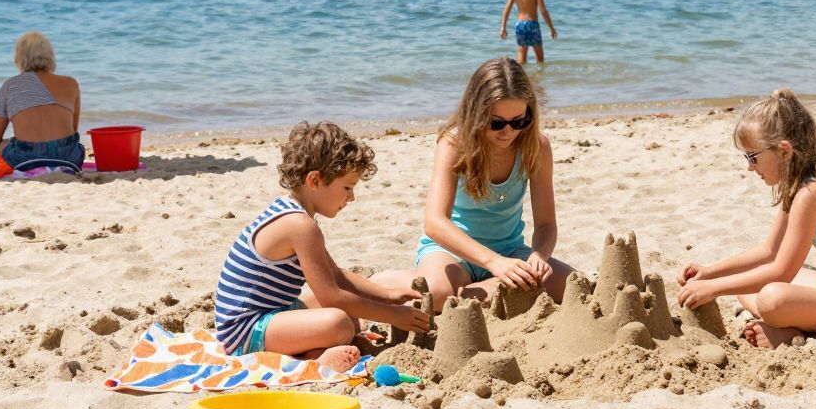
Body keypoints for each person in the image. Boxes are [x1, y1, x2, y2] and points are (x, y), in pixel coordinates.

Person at [677, 89, 816, 348]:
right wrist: (710, 273)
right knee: (746, 281)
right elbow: (769, 250)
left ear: (784, 151)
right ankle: (796, 324)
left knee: (771, 298)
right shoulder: (797, 186)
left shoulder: (813, 193)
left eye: (753, 157)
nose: (749, 167)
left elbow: (782, 271)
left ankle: (791, 333)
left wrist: (713, 288)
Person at [212, 121, 430, 368]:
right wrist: (394, 315)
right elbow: (332, 297)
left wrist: (388, 296)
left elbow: (336, 276)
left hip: (271, 313)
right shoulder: (300, 225)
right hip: (244, 332)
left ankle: (310, 348)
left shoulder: (295, 214)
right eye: (347, 187)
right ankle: (313, 358)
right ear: (315, 180)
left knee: (352, 316)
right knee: (340, 322)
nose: (352, 197)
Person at [416, 57, 572, 312]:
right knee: (439, 295)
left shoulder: (537, 147)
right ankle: (393, 281)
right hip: (454, 251)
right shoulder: (454, 144)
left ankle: (490, 287)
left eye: (519, 121)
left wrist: (538, 256)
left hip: (509, 249)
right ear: (476, 113)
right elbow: (434, 223)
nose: (508, 131)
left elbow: (546, 224)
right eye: (496, 123)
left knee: (574, 285)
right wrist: (494, 263)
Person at [0, 31, 84, 172]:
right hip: (67, 158)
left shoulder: (11, 85)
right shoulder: (71, 83)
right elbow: (73, 129)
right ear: (50, 56)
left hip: (25, 158)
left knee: (4, 144)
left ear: (19, 57)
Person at [499, 0, 557, 64]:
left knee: (522, 52)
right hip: (532, 24)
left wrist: (503, 27)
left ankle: (522, 77)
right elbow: (543, 11)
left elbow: (507, 8)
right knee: (539, 55)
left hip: (520, 24)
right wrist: (551, 27)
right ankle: (540, 77)